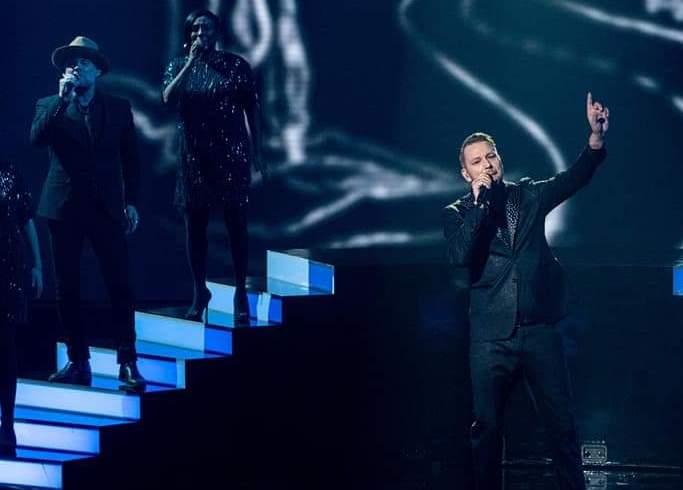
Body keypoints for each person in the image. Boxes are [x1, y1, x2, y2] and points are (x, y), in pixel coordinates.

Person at [443, 93, 609, 490]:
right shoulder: (458, 213)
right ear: (466, 173)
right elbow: (460, 256)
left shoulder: (528, 195)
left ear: (500, 159)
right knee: (487, 429)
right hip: (490, 338)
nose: (487, 165)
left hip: (538, 330)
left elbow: (573, 178)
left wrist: (595, 139)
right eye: (477, 161)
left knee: (562, 425)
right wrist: (480, 207)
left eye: (491, 156)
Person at [30, 36, 146, 391]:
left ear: (97, 70)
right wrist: (60, 102)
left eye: (83, 61)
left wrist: (131, 201)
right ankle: (78, 361)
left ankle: (128, 362)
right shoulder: (49, 105)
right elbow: (36, 140)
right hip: (63, 207)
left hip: (106, 208)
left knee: (120, 284)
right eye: (71, 62)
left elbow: (131, 160)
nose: (76, 66)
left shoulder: (118, 108)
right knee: (67, 288)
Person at [162, 9, 266, 324]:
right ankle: (199, 291)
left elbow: (252, 109)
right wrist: (190, 64)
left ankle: (239, 291)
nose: (199, 34)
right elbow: (167, 98)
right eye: (194, 30)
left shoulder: (236, 66)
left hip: (230, 153)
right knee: (195, 226)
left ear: (217, 32)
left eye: (205, 29)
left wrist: (257, 150)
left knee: (236, 223)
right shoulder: (178, 65)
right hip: (194, 157)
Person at [0, 159, 43, 456]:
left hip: (8, 271)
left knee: (6, 348)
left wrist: (38, 264)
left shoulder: (10, 171)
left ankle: (8, 424)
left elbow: (26, 219)